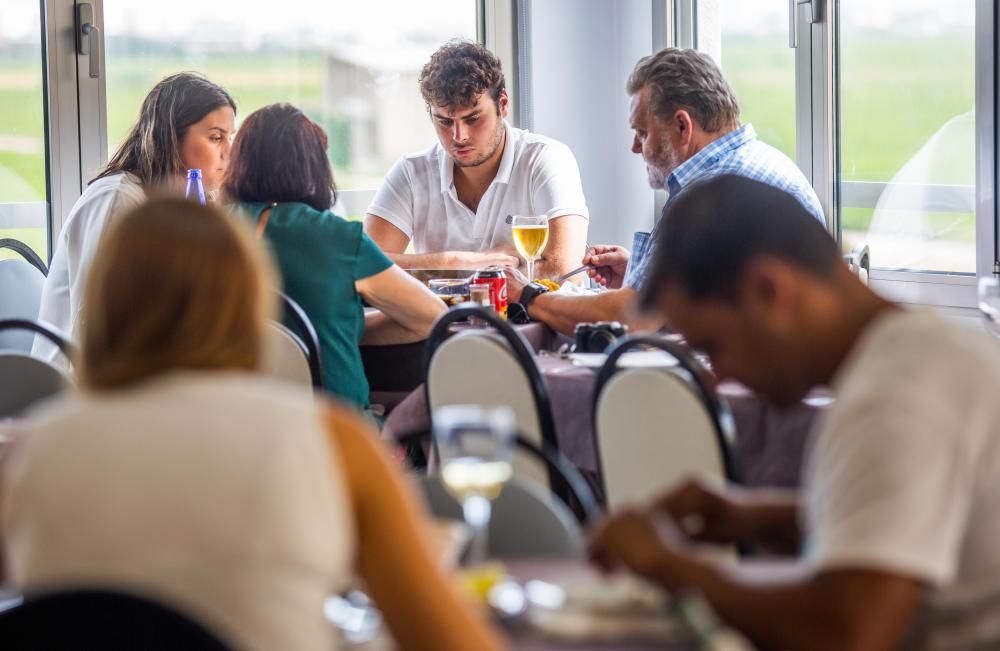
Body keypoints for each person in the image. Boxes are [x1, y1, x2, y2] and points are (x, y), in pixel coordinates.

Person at [0, 198, 503, 651]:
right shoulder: (332, 443)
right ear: (247, 302)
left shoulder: (28, 457)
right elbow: (451, 640)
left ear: (107, 307)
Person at [588, 174, 1000, 651]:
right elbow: (905, 533)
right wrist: (755, 517)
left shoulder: (893, 397)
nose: (718, 378)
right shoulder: (920, 354)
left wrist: (671, 567)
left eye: (714, 346)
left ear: (768, 290)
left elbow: (844, 634)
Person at [506, 48, 824, 336]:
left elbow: (632, 319)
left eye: (642, 133)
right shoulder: (762, 161)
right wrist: (645, 274)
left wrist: (528, 296)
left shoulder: (708, 194)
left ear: (682, 127)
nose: (634, 147)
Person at [223, 103, 446, 410]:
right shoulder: (340, 238)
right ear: (314, 167)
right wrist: (336, 329)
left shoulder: (211, 230)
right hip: (338, 431)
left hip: (241, 421)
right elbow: (431, 316)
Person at [32, 72, 237, 366]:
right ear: (171, 136)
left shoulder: (184, 207)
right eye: (216, 138)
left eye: (230, 138)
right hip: (82, 384)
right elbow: (97, 321)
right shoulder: (119, 199)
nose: (228, 153)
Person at [364, 40, 590, 279]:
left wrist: (436, 275)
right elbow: (362, 266)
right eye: (444, 122)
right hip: (440, 317)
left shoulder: (545, 159)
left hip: (531, 317)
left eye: (472, 119)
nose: (459, 137)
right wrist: (460, 260)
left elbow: (564, 271)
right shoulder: (412, 171)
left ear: (502, 105)